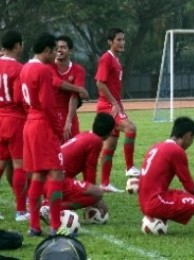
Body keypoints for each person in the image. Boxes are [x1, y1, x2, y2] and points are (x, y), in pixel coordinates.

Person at [20, 32, 66, 236]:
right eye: (54, 50)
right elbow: (48, 104)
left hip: (30, 123)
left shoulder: (25, 68)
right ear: (47, 50)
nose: (56, 54)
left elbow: (24, 101)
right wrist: (58, 128)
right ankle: (56, 226)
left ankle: (34, 226)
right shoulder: (44, 71)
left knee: (37, 174)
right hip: (43, 125)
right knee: (56, 173)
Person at [95, 28, 140, 193]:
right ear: (110, 42)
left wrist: (118, 103)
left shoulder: (116, 60)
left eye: (123, 39)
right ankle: (129, 167)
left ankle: (105, 183)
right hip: (107, 106)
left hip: (114, 105)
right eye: (119, 40)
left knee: (110, 146)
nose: (122, 43)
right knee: (130, 128)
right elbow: (100, 83)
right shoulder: (106, 59)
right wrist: (114, 103)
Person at [0, 30, 29, 221]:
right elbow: (20, 98)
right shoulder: (20, 69)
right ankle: (20, 211)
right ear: (18, 46)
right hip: (15, 119)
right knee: (20, 166)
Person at [49, 35, 89, 143]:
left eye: (63, 47)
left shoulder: (78, 70)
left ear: (70, 51)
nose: (59, 50)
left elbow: (74, 96)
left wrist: (69, 121)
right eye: (57, 47)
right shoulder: (49, 66)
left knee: (75, 149)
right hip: (51, 114)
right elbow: (57, 82)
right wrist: (79, 89)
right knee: (54, 151)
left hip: (69, 113)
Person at [61, 112, 115, 185]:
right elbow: (90, 168)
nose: (112, 133)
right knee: (97, 193)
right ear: (109, 131)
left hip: (53, 173)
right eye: (112, 130)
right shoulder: (96, 141)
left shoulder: (87, 134)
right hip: (57, 178)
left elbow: (85, 168)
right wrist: (91, 189)